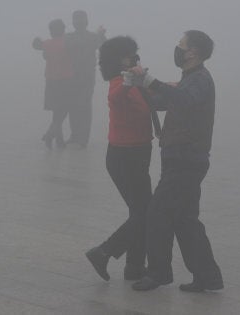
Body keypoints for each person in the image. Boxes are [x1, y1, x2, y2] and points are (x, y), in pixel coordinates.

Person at [126, 30, 224, 292]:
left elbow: (184, 101)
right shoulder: (190, 78)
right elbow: (165, 102)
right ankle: (208, 276)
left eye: (181, 45)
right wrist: (139, 84)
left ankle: (158, 273)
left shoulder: (200, 79)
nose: (178, 49)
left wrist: (152, 81)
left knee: (157, 213)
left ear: (193, 52)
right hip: (182, 157)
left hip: (186, 159)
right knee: (186, 219)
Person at [85, 36, 153, 281]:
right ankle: (104, 252)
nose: (134, 58)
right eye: (128, 55)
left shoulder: (134, 82)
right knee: (146, 212)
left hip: (138, 154)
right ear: (117, 60)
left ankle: (134, 267)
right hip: (124, 158)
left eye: (135, 53)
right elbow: (115, 97)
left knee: (141, 212)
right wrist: (129, 79)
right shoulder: (118, 83)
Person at [64, 10, 106, 148]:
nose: (78, 22)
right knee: (72, 106)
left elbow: (104, 46)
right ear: (73, 22)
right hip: (70, 77)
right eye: (76, 20)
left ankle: (83, 138)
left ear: (86, 22)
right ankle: (75, 135)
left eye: (81, 20)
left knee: (84, 106)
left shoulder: (93, 37)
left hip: (87, 77)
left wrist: (102, 35)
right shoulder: (68, 37)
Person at [32, 19, 73, 149]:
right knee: (63, 111)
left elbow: (36, 45)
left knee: (57, 111)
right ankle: (50, 135)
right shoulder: (67, 42)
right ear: (63, 29)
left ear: (51, 31)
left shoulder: (47, 44)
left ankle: (59, 141)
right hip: (65, 81)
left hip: (51, 81)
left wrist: (37, 40)